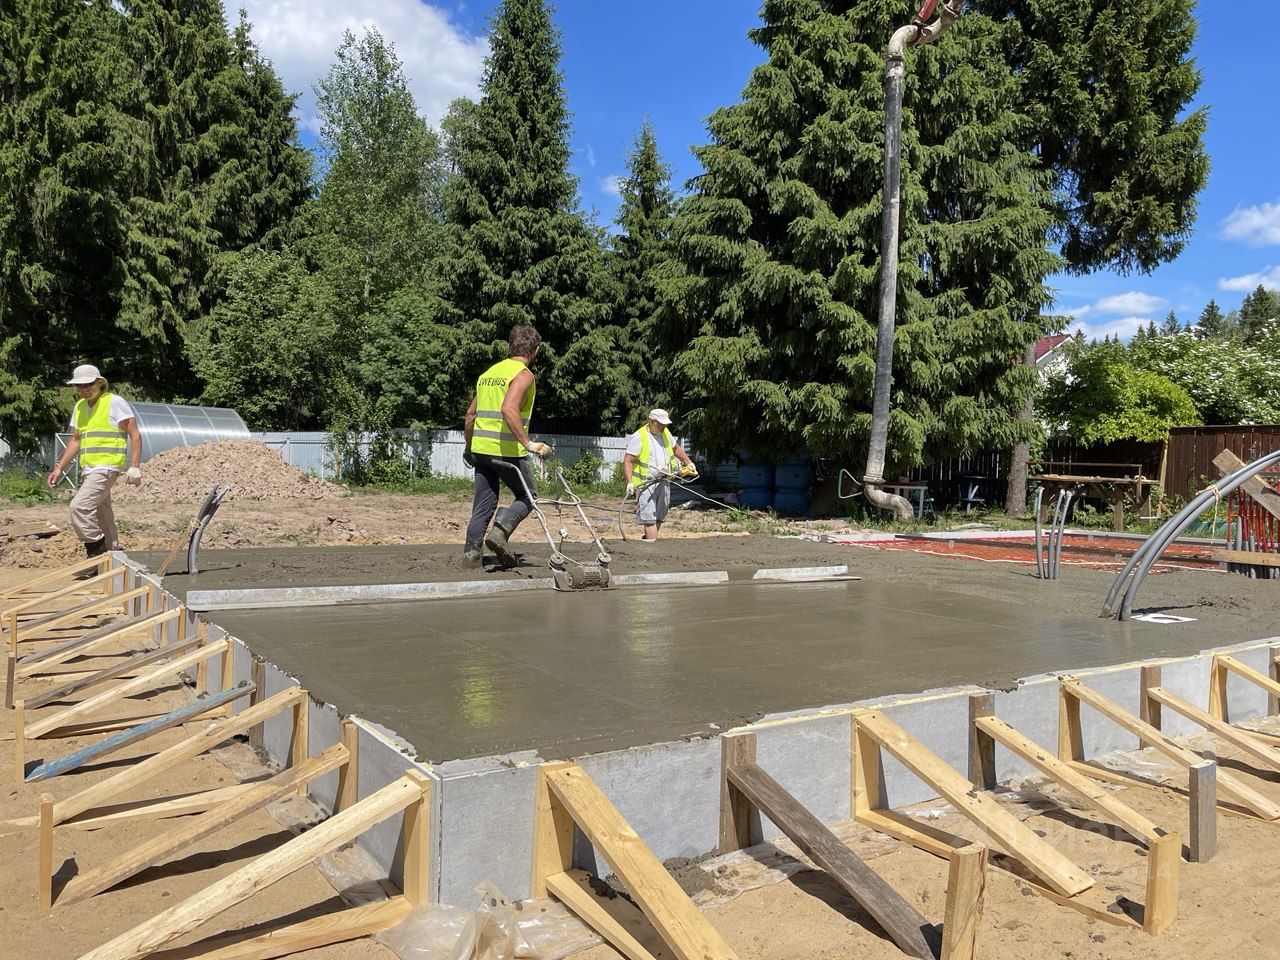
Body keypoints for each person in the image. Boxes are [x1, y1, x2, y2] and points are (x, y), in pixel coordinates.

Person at [462, 325, 552, 567]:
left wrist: (469, 447)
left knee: (483, 504)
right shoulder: (523, 375)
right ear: (536, 350)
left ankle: (471, 556)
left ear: (511, 346)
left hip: (481, 450)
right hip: (507, 452)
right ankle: (499, 534)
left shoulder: (488, 374)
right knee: (528, 497)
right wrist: (528, 443)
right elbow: (508, 408)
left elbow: (470, 415)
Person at [46, 364, 143, 559]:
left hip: (107, 467)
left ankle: (96, 548)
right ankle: (113, 552)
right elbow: (76, 440)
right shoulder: (80, 407)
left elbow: (134, 434)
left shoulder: (114, 402)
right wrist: (59, 468)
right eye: (79, 386)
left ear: (99, 383)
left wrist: (134, 467)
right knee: (102, 512)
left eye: (88, 384)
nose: (84, 389)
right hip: (89, 469)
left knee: (79, 507)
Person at [621, 409, 696, 541]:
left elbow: (675, 448)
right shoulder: (639, 437)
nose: (664, 426)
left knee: (660, 517)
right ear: (652, 422)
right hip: (646, 483)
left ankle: (649, 540)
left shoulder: (665, 433)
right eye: (661, 424)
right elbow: (628, 460)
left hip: (663, 480)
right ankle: (652, 545)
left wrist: (688, 462)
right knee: (649, 519)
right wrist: (630, 482)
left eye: (665, 424)